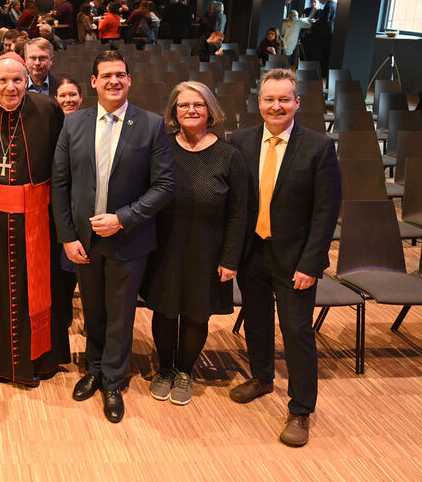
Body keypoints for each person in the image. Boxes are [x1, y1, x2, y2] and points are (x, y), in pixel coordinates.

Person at [51, 50, 175, 423]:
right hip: (83, 240)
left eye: (120, 74)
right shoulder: (73, 124)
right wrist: (67, 236)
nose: (113, 81)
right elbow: (60, 184)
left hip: (129, 238)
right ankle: (94, 368)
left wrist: (123, 219)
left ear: (129, 80)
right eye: (106, 75)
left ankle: (113, 381)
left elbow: (164, 185)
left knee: (120, 314)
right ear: (93, 82)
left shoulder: (151, 125)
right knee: (93, 310)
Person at [227, 68, 341, 447]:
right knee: (257, 322)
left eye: (283, 99)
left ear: (297, 102)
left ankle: (301, 409)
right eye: (269, 99)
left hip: (295, 261)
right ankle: (261, 377)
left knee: (296, 332)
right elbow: (235, 204)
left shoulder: (319, 147)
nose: (276, 106)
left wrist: (311, 264)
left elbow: (325, 213)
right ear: (259, 102)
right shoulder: (240, 141)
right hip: (252, 253)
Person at [0, 52, 70, 387]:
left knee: (36, 289)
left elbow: (61, 168)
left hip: (38, 217)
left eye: (17, 80)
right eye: (3, 80)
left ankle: (38, 361)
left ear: (27, 81)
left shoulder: (48, 109)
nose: (11, 87)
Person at [140, 81, 247, 407]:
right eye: (184, 105)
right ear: (174, 111)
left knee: (197, 314)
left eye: (198, 104)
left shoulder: (229, 155)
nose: (191, 110)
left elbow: (239, 212)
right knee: (165, 312)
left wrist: (230, 258)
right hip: (164, 247)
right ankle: (165, 369)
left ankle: (185, 370)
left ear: (210, 110)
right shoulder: (161, 149)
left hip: (208, 250)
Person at [53, 77, 84, 328]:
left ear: (81, 98)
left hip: (79, 205)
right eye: (63, 95)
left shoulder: (87, 124)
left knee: (74, 267)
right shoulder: (50, 124)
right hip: (53, 203)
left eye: (72, 95)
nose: (68, 100)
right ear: (55, 99)